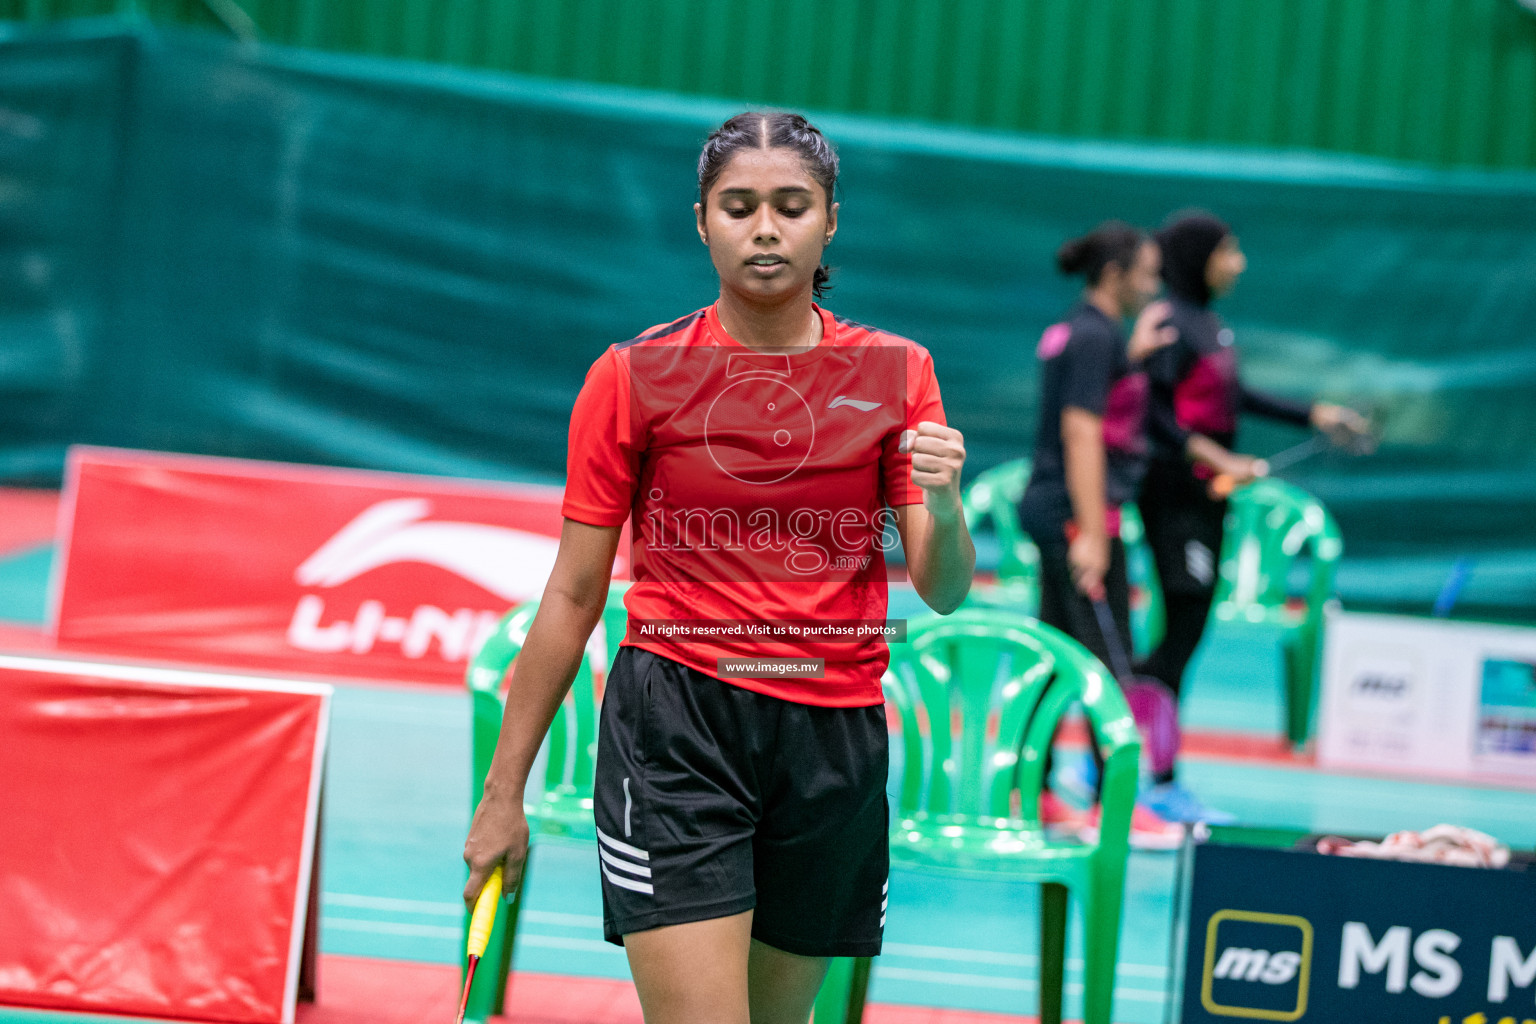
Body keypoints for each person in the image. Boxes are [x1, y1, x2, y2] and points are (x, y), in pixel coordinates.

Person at [461, 111, 975, 1024]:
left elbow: (941, 587)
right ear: (702, 221)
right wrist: (504, 796)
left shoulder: (900, 372)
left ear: (830, 221)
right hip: (680, 726)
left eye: (791, 205)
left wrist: (942, 502)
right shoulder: (633, 375)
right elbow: (575, 592)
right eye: (739, 207)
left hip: (833, 741)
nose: (766, 229)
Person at [1136, 210, 1371, 825]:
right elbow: (1154, 414)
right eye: (1229, 251)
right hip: (1174, 498)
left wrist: (1314, 414)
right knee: (1182, 629)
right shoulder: (1166, 324)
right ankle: (1147, 772)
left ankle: (1130, 756)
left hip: (1208, 500)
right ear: (1200, 258)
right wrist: (1212, 456)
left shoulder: (1208, 325)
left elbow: (1231, 398)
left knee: (1186, 632)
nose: (1239, 263)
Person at [1015, 221, 1184, 851]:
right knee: (1106, 666)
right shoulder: (1094, 338)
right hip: (1075, 517)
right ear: (1115, 275)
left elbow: (1094, 390)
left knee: (1056, 654)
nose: (1153, 282)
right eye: (1145, 270)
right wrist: (1091, 533)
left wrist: (1129, 355)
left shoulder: (1079, 330)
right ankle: (1117, 807)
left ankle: (1026, 790)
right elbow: (1082, 432)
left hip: (1054, 507)